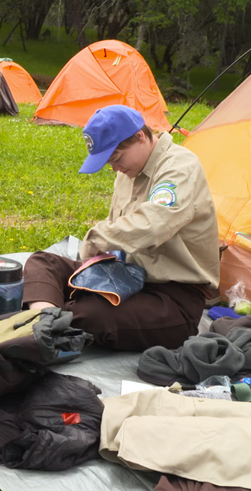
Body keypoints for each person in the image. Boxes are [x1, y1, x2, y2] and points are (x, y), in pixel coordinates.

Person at [23, 104, 219, 351]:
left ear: (140, 136)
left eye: (115, 158)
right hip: (125, 277)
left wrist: (98, 238)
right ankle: (47, 322)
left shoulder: (179, 167)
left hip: (172, 296)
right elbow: (120, 231)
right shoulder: (127, 171)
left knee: (91, 315)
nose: (114, 168)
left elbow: (153, 224)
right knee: (42, 263)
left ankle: (45, 321)